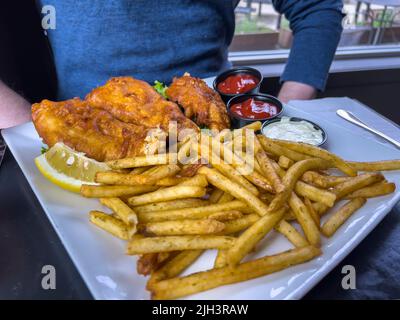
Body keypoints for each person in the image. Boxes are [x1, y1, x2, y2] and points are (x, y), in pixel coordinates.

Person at [0, 0, 344, 129]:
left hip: (216, 126)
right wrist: (25, 129)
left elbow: (317, 7)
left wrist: (290, 117)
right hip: (77, 126)